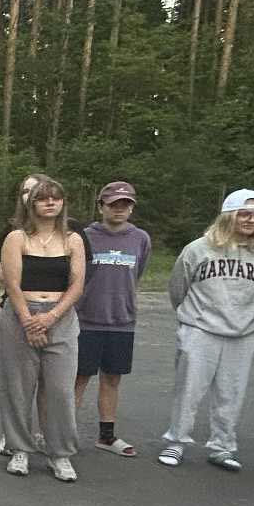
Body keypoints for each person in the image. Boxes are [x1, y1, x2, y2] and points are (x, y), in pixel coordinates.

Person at [158, 190, 254, 471]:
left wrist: (244, 316)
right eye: (244, 214)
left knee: (231, 392)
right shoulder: (199, 248)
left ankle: (222, 445)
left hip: (243, 332)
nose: (250, 220)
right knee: (188, 390)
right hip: (200, 329)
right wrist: (191, 317)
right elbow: (178, 288)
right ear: (228, 216)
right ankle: (176, 441)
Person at [0, 177, 87, 481]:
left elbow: (77, 285)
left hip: (60, 318)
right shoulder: (16, 238)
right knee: (18, 388)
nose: (50, 202)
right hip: (21, 315)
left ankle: (59, 453)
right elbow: (12, 283)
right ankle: (19, 448)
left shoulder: (73, 240)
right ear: (31, 203)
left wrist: (51, 318)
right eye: (43, 198)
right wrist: (28, 321)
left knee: (60, 390)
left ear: (63, 203)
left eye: (55, 197)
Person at [74, 180, 151, 456]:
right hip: (86, 320)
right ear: (101, 207)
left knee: (112, 379)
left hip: (122, 321)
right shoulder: (85, 236)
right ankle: (62, 432)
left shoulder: (140, 238)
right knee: (78, 378)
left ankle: (106, 436)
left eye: (125, 205)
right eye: (114, 204)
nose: (119, 209)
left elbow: (138, 272)